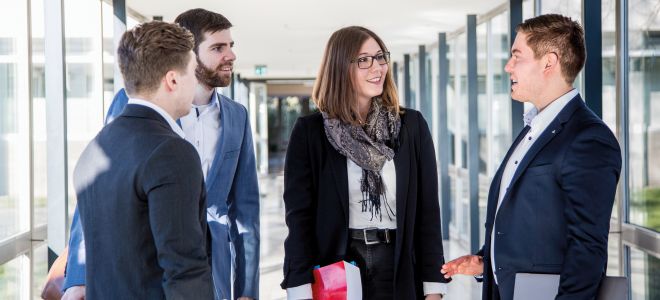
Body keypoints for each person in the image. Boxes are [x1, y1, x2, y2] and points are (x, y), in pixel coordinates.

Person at [63, 9, 260, 300]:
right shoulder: (133, 103)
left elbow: (245, 209)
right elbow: (101, 182)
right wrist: (79, 277)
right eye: (218, 48)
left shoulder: (236, 116)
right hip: (148, 261)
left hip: (211, 268)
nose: (230, 55)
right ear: (187, 58)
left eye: (231, 47)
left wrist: (246, 290)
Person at [440, 14, 622, 300]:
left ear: (549, 62)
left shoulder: (588, 138)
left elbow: (587, 248)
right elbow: (533, 221)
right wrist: (486, 261)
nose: (508, 66)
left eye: (517, 56)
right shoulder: (534, 128)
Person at [280, 26, 450, 300]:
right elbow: (299, 218)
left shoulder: (411, 126)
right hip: (338, 268)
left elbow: (427, 211)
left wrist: (434, 287)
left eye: (380, 57)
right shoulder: (310, 132)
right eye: (363, 60)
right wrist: (299, 288)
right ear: (339, 67)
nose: (377, 67)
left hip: (399, 265)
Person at [72, 21, 214, 299]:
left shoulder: (95, 148)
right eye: (192, 72)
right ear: (172, 80)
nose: (196, 81)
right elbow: (185, 270)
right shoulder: (171, 152)